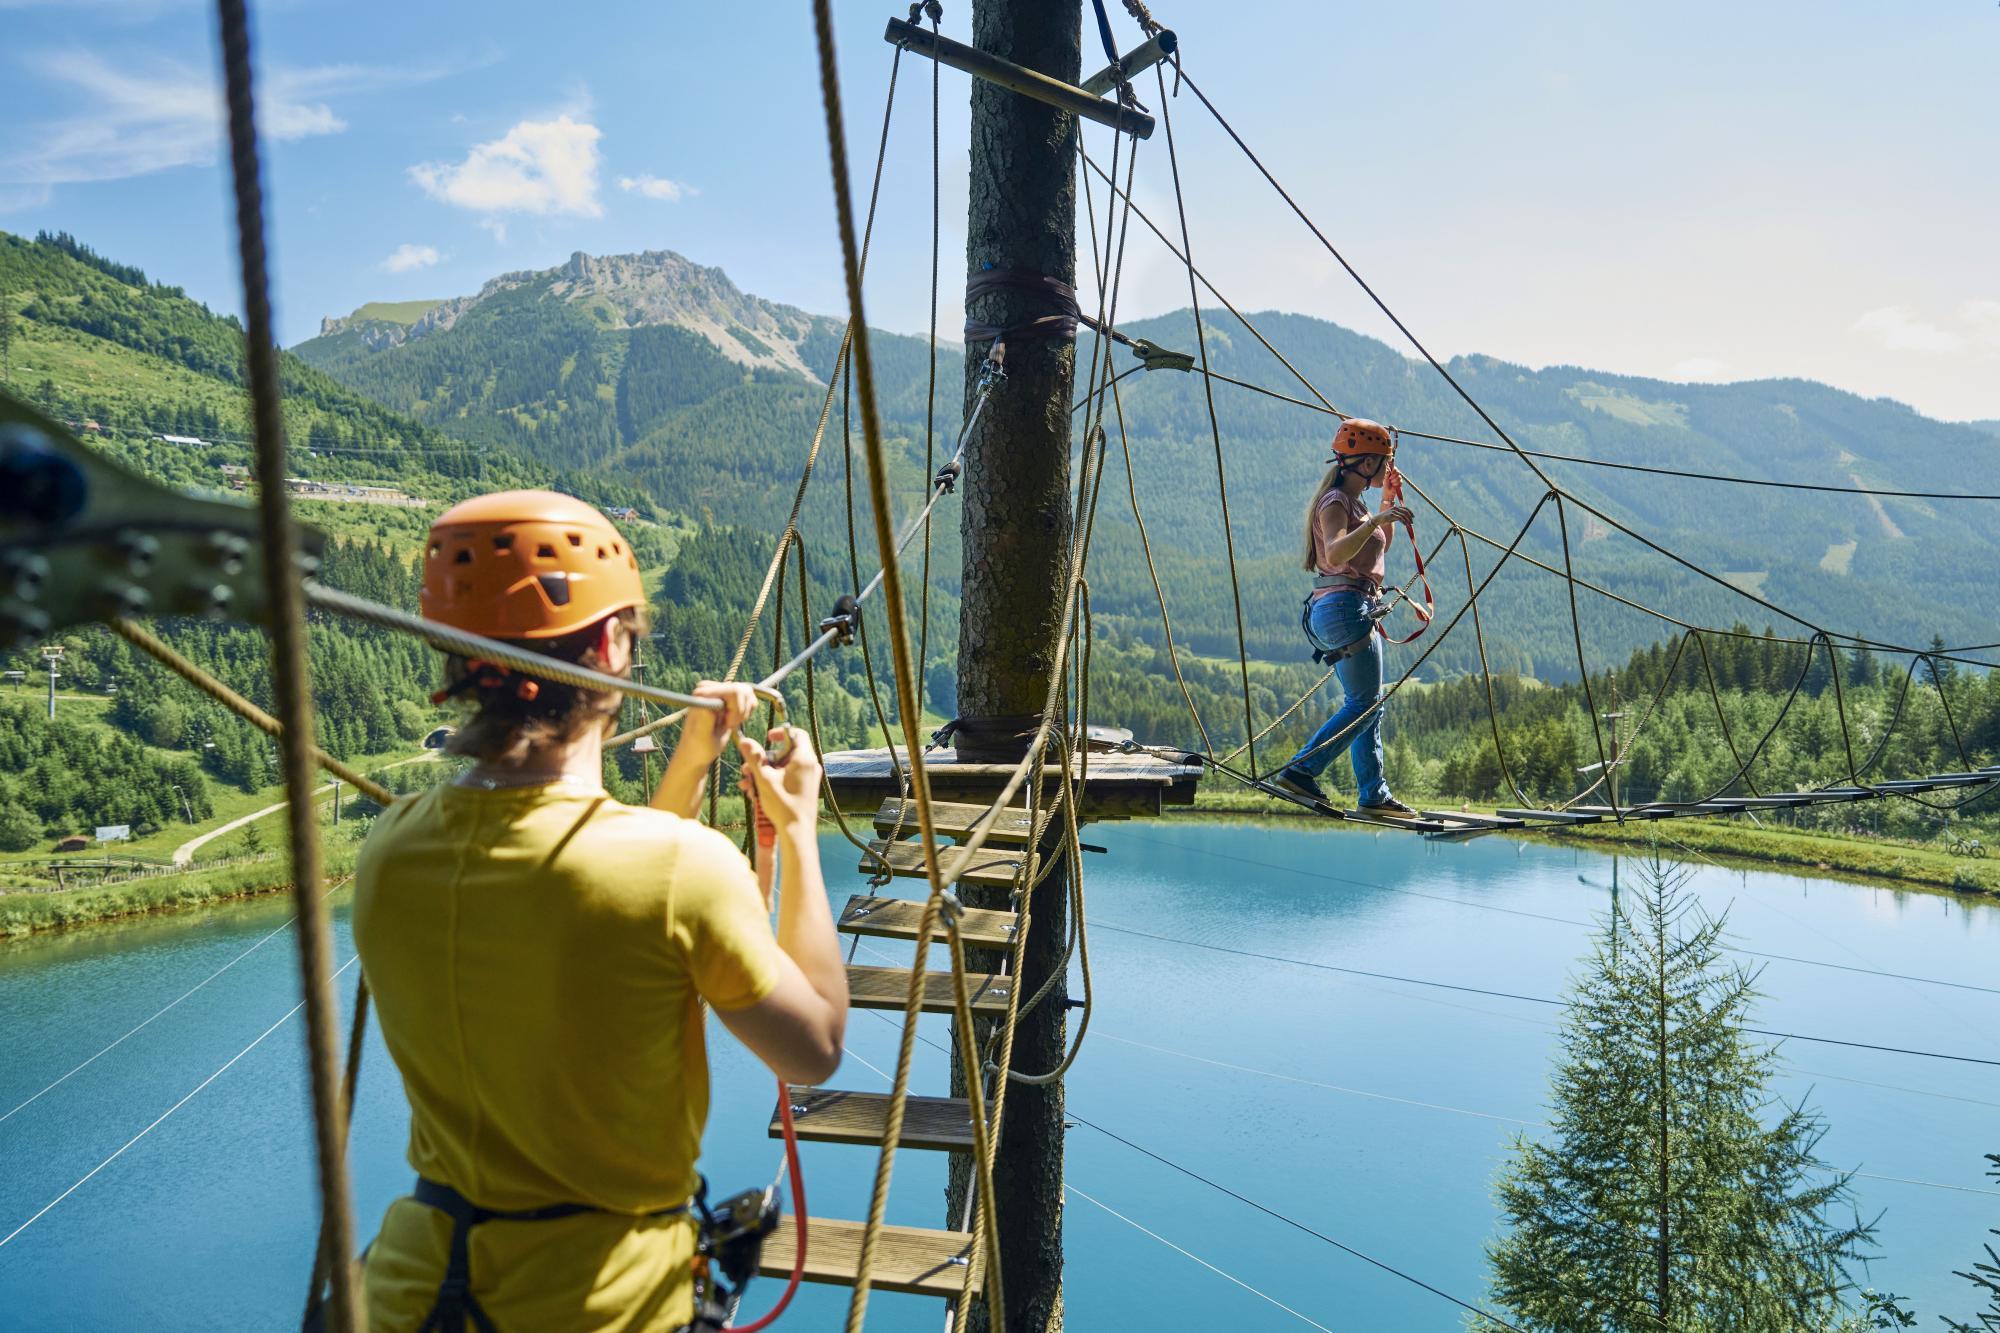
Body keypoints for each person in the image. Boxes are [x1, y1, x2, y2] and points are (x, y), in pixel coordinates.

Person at [350, 490, 848, 1331]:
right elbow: (815, 1046)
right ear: (613, 645)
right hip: (608, 1304)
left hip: (412, 1293)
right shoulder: (682, 869)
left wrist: (690, 766)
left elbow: (602, 895)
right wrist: (797, 832)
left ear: (457, 659)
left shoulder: (392, 849)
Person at [1269, 420, 1419, 819]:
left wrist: (1384, 507)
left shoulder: (1355, 503)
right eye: (1384, 464)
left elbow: (1371, 547)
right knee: (1365, 703)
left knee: (1368, 704)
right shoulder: (1335, 502)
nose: (1388, 469)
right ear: (1366, 462)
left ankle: (1373, 793)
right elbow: (1336, 553)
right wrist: (1375, 520)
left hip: (1345, 607)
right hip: (1345, 606)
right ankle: (1302, 770)